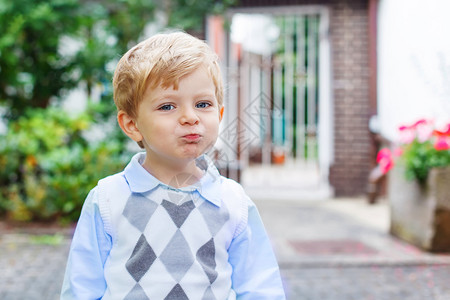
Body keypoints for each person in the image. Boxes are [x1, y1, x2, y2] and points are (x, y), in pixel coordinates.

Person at [61, 31, 286, 300]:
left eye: (203, 104)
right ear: (132, 125)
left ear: (220, 114)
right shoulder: (108, 200)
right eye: (168, 106)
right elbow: (81, 289)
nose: (190, 117)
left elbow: (260, 288)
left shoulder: (233, 202)